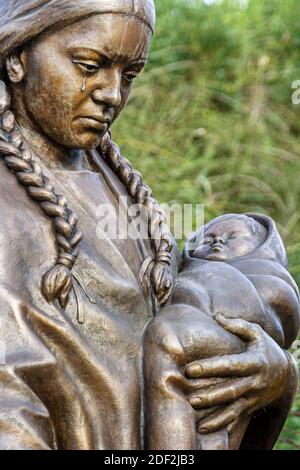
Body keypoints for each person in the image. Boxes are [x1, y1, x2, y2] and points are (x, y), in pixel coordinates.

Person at [0, 0, 298, 450]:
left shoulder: (114, 179)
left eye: (129, 75)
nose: (111, 93)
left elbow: (191, 311)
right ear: (16, 57)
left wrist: (274, 374)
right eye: (89, 65)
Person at [144, 214, 300, 449]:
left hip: (209, 340)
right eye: (208, 239)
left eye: (232, 237)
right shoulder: (176, 270)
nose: (217, 242)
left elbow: (275, 319)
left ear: (262, 248)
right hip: (191, 335)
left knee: (171, 337)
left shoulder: (269, 279)